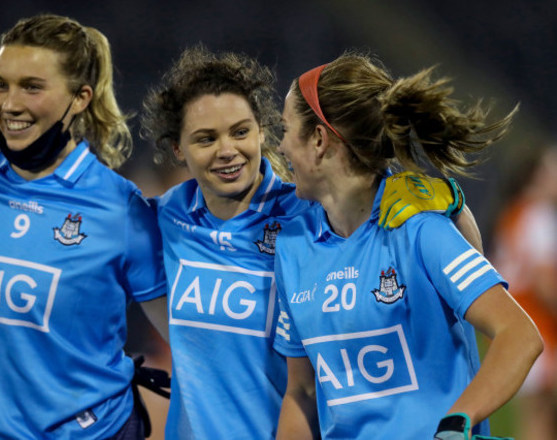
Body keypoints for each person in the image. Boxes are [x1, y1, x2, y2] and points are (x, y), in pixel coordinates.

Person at [139, 45, 483, 439]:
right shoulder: (163, 219)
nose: (227, 151)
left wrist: (454, 206)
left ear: (263, 132)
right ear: (178, 148)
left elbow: (465, 262)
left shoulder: (309, 211)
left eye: (240, 131)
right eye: (205, 138)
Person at [0, 14, 168, 439]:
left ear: (80, 97)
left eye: (32, 86)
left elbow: (184, 336)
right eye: (1, 83)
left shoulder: (120, 208)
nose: (10, 103)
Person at [273, 52, 543, 439]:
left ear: (318, 140)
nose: (281, 147)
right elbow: (301, 391)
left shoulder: (417, 228)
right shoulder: (293, 248)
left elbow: (520, 335)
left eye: (285, 130)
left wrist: (457, 421)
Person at [491, 145, 557, 440]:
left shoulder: (515, 211)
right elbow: (545, 282)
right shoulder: (538, 215)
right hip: (537, 322)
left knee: (536, 413)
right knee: (540, 415)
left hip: (515, 320)